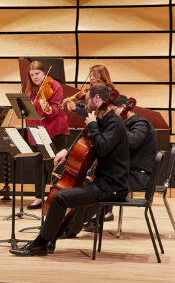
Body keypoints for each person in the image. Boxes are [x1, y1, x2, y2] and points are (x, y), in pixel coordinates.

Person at [10, 85, 129, 257]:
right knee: (69, 198)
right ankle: (49, 241)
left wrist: (94, 126)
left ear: (97, 99)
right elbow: (89, 143)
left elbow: (102, 148)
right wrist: (68, 150)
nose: (84, 104)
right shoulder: (103, 121)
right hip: (103, 183)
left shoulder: (114, 123)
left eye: (86, 99)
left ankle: (40, 244)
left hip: (111, 187)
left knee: (60, 198)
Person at [65, 94, 158, 236]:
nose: (112, 115)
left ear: (122, 108)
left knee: (100, 191)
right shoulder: (124, 124)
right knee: (93, 188)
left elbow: (134, 140)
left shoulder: (141, 123)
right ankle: (71, 224)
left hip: (139, 175)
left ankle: (71, 228)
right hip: (127, 173)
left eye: (113, 110)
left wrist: (115, 129)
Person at [24, 60, 70, 210]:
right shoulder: (29, 89)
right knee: (37, 164)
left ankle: (55, 198)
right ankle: (38, 197)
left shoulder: (54, 86)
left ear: (44, 72)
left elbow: (57, 109)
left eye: (37, 74)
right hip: (35, 130)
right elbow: (27, 109)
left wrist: (48, 108)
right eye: (32, 75)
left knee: (52, 166)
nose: (35, 77)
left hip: (53, 130)